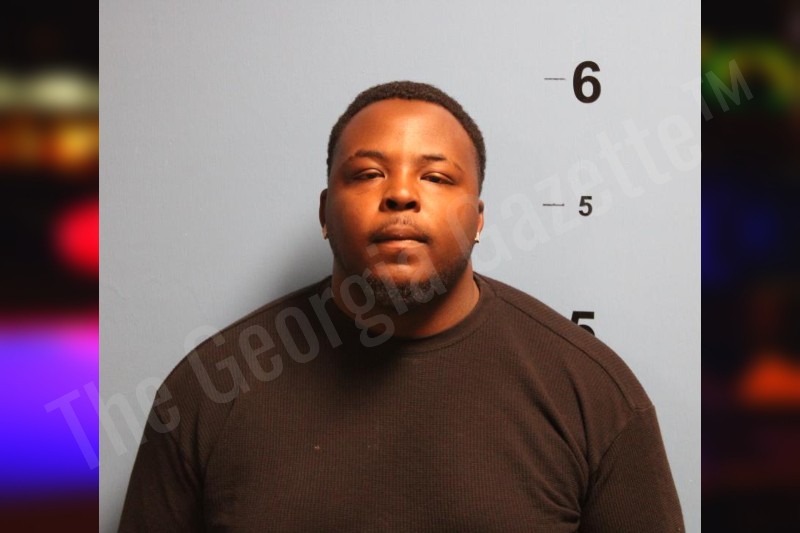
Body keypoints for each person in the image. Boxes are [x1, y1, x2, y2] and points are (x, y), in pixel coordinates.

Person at [119, 81, 684, 531]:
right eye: (368, 174)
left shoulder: (591, 394)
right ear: (325, 212)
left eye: (436, 176)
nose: (402, 194)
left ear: (479, 219)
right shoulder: (210, 391)